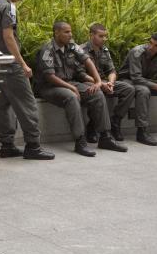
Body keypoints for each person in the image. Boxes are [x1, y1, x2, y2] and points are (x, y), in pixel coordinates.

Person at [0, 0, 54, 160]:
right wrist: (22, 63)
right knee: (27, 104)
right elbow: (9, 36)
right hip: (11, 65)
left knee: (3, 105)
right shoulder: (9, 7)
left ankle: (7, 145)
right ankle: (33, 146)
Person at [33, 22, 127, 157]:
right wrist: (71, 87)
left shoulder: (71, 46)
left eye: (70, 31)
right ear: (56, 33)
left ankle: (105, 138)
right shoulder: (47, 50)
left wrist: (98, 82)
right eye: (66, 32)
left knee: (97, 93)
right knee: (71, 97)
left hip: (70, 83)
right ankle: (80, 141)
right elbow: (50, 77)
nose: (70, 34)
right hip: (50, 87)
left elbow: (87, 61)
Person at [80, 23, 135, 142]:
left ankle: (115, 122)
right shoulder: (81, 50)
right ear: (91, 35)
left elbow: (111, 70)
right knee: (96, 90)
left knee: (128, 89)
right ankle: (92, 126)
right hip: (87, 82)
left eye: (105, 36)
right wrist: (100, 84)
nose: (104, 39)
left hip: (103, 81)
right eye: (101, 36)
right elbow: (80, 74)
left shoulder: (104, 50)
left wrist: (110, 82)